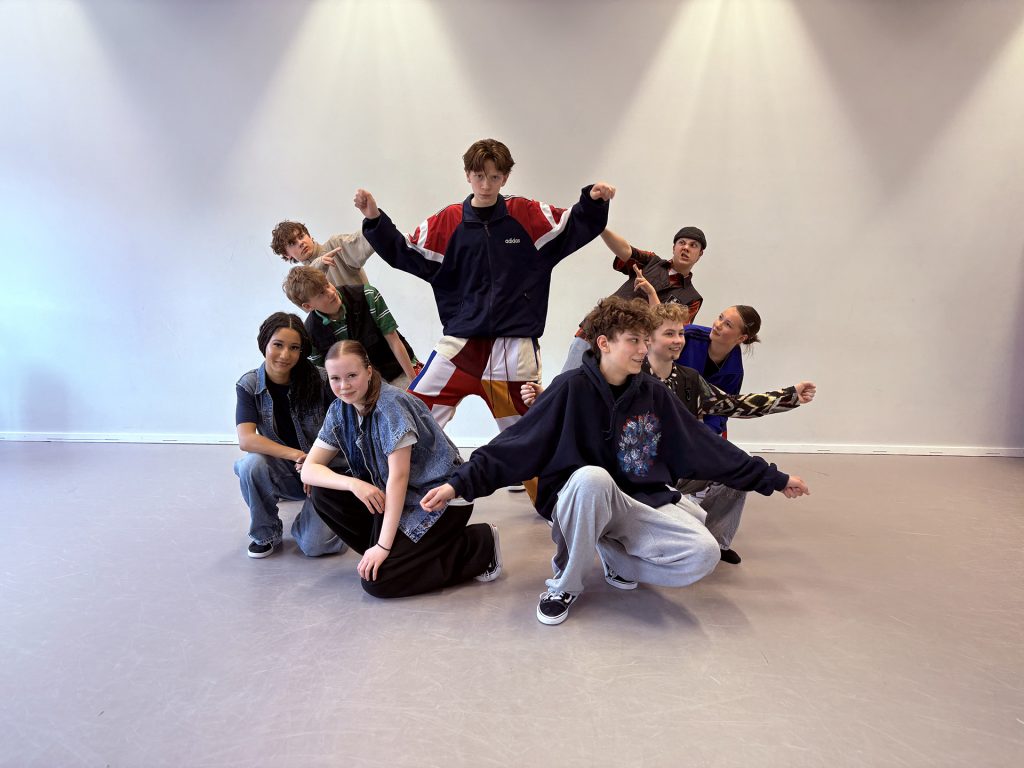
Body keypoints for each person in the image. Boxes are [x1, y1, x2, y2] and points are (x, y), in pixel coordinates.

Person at [421, 297, 810, 625]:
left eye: (645, 340)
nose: (643, 349)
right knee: (592, 478)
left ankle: (616, 557)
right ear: (604, 343)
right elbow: (514, 445)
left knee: (703, 555)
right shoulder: (570, 389)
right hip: (578, 498)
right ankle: (564, 585)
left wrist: (774, 479)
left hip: (634, 499)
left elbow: (706, 446)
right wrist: (458, 483)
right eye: (633, 340)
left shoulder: (654, 394)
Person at [352, 137, 615, 433]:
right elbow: (405, 252)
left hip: (514, 348)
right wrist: (374, 220)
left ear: (505, 177)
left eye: (494, 177)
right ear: (467, 175)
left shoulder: (526, 215)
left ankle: (538, 468)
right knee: (412, 417)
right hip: (460, 344)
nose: (486, 185)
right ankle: (411, 466)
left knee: (529, 435)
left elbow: (571, 226)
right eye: (479, 176)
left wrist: (593, 202)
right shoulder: (447, 222)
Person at [300, 341, 501, 598]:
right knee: (323, 492)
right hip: (397, 498)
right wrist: (354, 484)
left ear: (368, 372)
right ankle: (403, 554)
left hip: (437, 500)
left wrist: (384, 547)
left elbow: (399, 477)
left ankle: (479, 544)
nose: (344, 386)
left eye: (351, 375)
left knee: (379, 583)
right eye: (335, 378)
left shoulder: (390, 406)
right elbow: (309, 470)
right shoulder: (339, 409)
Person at [643, 302, 816, 564]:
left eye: (680, 333)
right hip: (638, 478)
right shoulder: (632, 377)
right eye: (670, 334)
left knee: (733, 471)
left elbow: (732, 404)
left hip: (677, 467)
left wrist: (789, 396)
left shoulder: (690, 379)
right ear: (648, 338)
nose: (678, 340)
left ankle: (716, 540)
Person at [234, 312, 346, 559]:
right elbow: (247, 439)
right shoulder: (249, 384)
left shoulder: (322, 379)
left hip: (326, 471)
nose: (285, 355)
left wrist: (314, 463)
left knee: (315, 546)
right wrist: (299, 456)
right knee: (250, 465)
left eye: (294, 348)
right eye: (278, 345)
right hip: (289, 470)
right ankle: (265, 533)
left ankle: (327, 515)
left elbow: (342, 432)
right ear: (265, 343)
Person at [560, 226, 707, 372]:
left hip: (629, 352)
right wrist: (600, 226)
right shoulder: (651, 261)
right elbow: (625, 250)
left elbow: (671, 333)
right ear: (674, 247)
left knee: (602, 387)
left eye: (693, 245)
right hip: (597, 331)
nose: (686, 248)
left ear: (700, 254)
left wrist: (652, 294)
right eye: (682, 243)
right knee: (567, 381)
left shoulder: (692, 298)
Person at [283, 266, 420, 388]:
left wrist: (414, 383)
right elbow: (325, 376)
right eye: (321, 294)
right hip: (360, 389)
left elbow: (394, 341)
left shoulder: (368, 295)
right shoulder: (309, 333)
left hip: (398, 371)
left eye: (327, 284)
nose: (331, 292)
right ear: (308, 306)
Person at [678, 304, 762, 438]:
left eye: (728, 324)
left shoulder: (734, 372)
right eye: (720, 317)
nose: (718, 325)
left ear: (741, 338)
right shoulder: (687, 335)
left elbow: (722, 410)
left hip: (701, 426)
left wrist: (706, 433)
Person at [271, 219, 373, 287]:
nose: (300, 243)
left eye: (301, 236)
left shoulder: (335, 245)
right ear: (286, 254)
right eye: (292, 243)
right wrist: (315, 269)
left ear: (308, 235)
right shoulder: (299, 282)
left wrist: (373, 218)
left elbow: (367, 237)